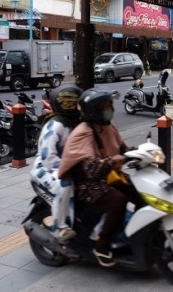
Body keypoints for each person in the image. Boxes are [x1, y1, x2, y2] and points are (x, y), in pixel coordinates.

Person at [58, 89, 130, 267]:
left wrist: (142, 153)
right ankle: (102, 245)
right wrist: (114, 161)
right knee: (118, 201)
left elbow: (123, 148)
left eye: (110, 105)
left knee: (134, 188)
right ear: (94, 110)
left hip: (105, 176)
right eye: (106, 106)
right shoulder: (84, 132)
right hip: (85, 183)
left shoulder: (107, 126)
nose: (110, 109)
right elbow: (91, 169)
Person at [29, 85, 83, 242]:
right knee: (65, 185)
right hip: (46, 170)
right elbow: (48, 158)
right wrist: (72, 167)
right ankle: (61, 227)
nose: (75, 105)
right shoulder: (55, 126)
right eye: (71, 102)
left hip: (70, 166)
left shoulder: (77, 123)